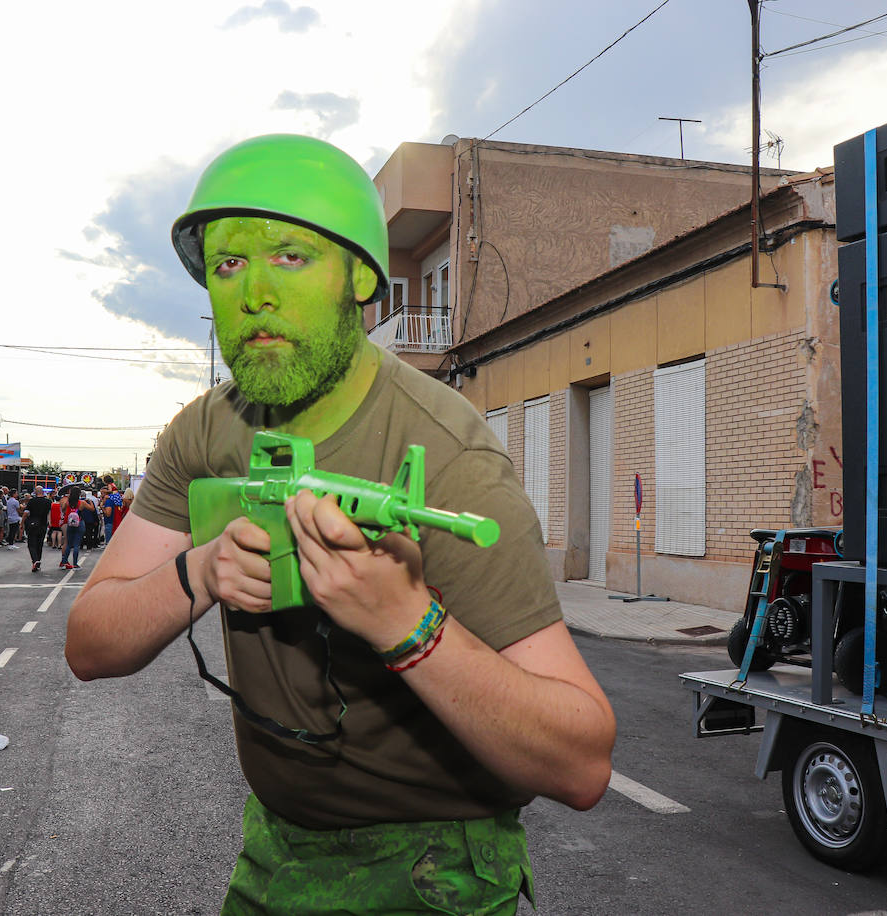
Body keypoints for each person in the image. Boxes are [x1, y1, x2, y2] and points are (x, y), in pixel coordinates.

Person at [65, 134, 615, 913]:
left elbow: (583, 761)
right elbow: (89, 642)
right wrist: (204, 571)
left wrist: (405, 622)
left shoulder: (448, 454)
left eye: (289, 257)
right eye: (229, 264)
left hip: (437, 860)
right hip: (276, 844)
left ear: (362, 278)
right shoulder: (204, 431)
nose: (254, 292)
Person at [23, 487, 53, 573]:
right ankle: (38, 562)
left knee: (31, 544)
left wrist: (22, 523)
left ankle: (35, 560)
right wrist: (50, 524)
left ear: (36, 492)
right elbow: (49, 514)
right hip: (43, 525)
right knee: (39, 544)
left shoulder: (32, 501)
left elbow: (26, 513)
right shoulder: (48, 502)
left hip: (32, 524)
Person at [59, 488, 86, 570]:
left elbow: (63, 510)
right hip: (79, 522)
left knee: (68, 544)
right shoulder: (82, 503)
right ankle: (75, 564)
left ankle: (64, 562)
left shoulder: (68, 502)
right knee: (76, 544)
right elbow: (91, 508)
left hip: (70, 523)